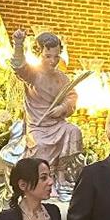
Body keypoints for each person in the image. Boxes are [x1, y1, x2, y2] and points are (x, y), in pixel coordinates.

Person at [11, 30, 84, 195]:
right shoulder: (33, 74)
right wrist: (18, 44)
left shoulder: (62, 78)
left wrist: (63, 108)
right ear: (39, 54)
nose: (53, 61)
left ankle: (62, 174)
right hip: (38, 126)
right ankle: (43, 180)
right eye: (48, 56)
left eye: (56, 57)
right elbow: (18, 66)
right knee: (41, 145)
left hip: (57, 124)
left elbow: (71, 97)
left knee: (73, 131)